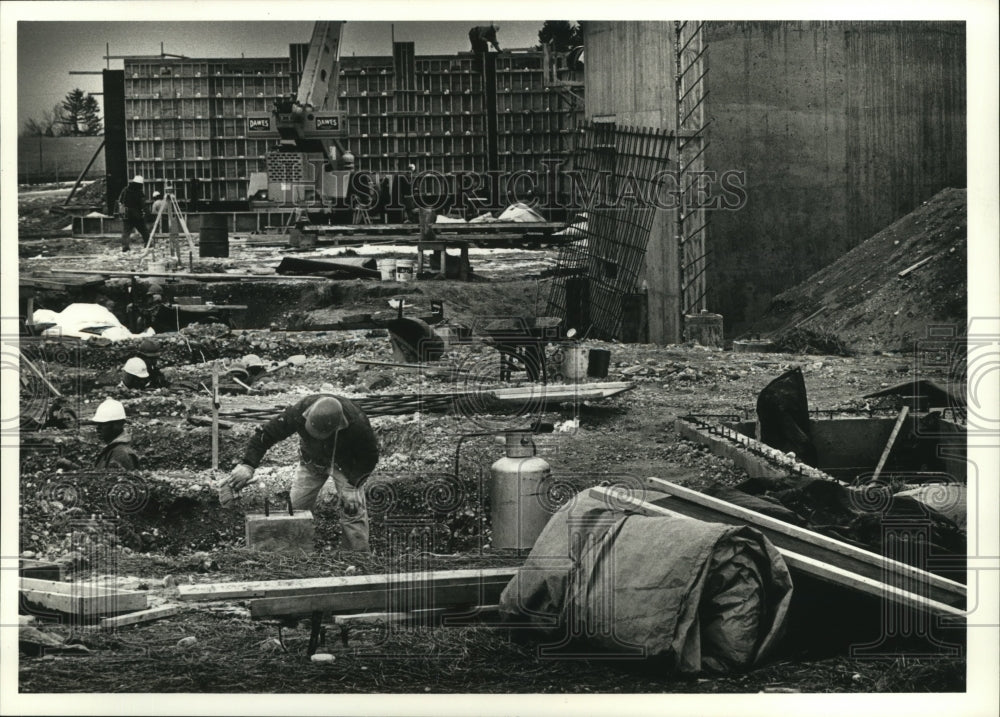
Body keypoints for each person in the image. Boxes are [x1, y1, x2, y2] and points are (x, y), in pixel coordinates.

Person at [220, 394, 379, 553]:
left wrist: (353, 485)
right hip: (312, 461)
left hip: (346, 465)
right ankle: (294, 553)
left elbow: (370, 456)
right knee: (295, 509)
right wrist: (248, 465)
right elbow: (266, 434)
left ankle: (357, 558)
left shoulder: (357, 423)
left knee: (353, 509)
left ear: (338, 427)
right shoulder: (298, 412)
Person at [91, 398, 141, 470]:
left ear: (117, 425)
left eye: (103, 424)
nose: (98, 428)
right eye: (97, 424)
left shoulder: (121, 454)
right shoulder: (114, 450)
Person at [117, 174, 150, 253]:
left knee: (126, 232)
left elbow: (120, 201)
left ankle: (125, 247)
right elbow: (143, 204)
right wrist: (148, 213)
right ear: (140, 184)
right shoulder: (139, 192)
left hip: (127, 214)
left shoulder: (125, 190)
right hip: (137, 215)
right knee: (144, 230)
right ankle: (148, 244)